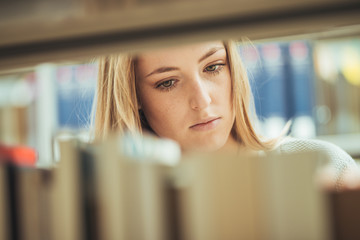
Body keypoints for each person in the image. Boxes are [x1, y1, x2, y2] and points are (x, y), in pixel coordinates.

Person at [94, 39, 358, 189]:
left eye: (213, 67)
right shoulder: (121, 205)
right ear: (133, 96)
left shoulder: (325, 166)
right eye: (168, 82)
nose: (202, 100)